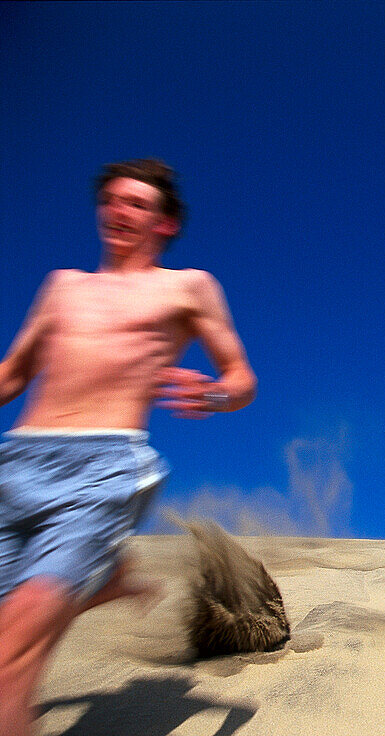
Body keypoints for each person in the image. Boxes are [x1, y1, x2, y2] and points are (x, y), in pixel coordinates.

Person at [0, 159, 257, 736]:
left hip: (99, 470)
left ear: (164, 224)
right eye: (111, 201)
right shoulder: (62, 285)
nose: (119, 212)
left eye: (137, 204)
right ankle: (108, 578)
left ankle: (100, 572)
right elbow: (14, 374)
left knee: (8, 656)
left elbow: (242, 377)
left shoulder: (186, 286)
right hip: (13, 464)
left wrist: (215, 396)